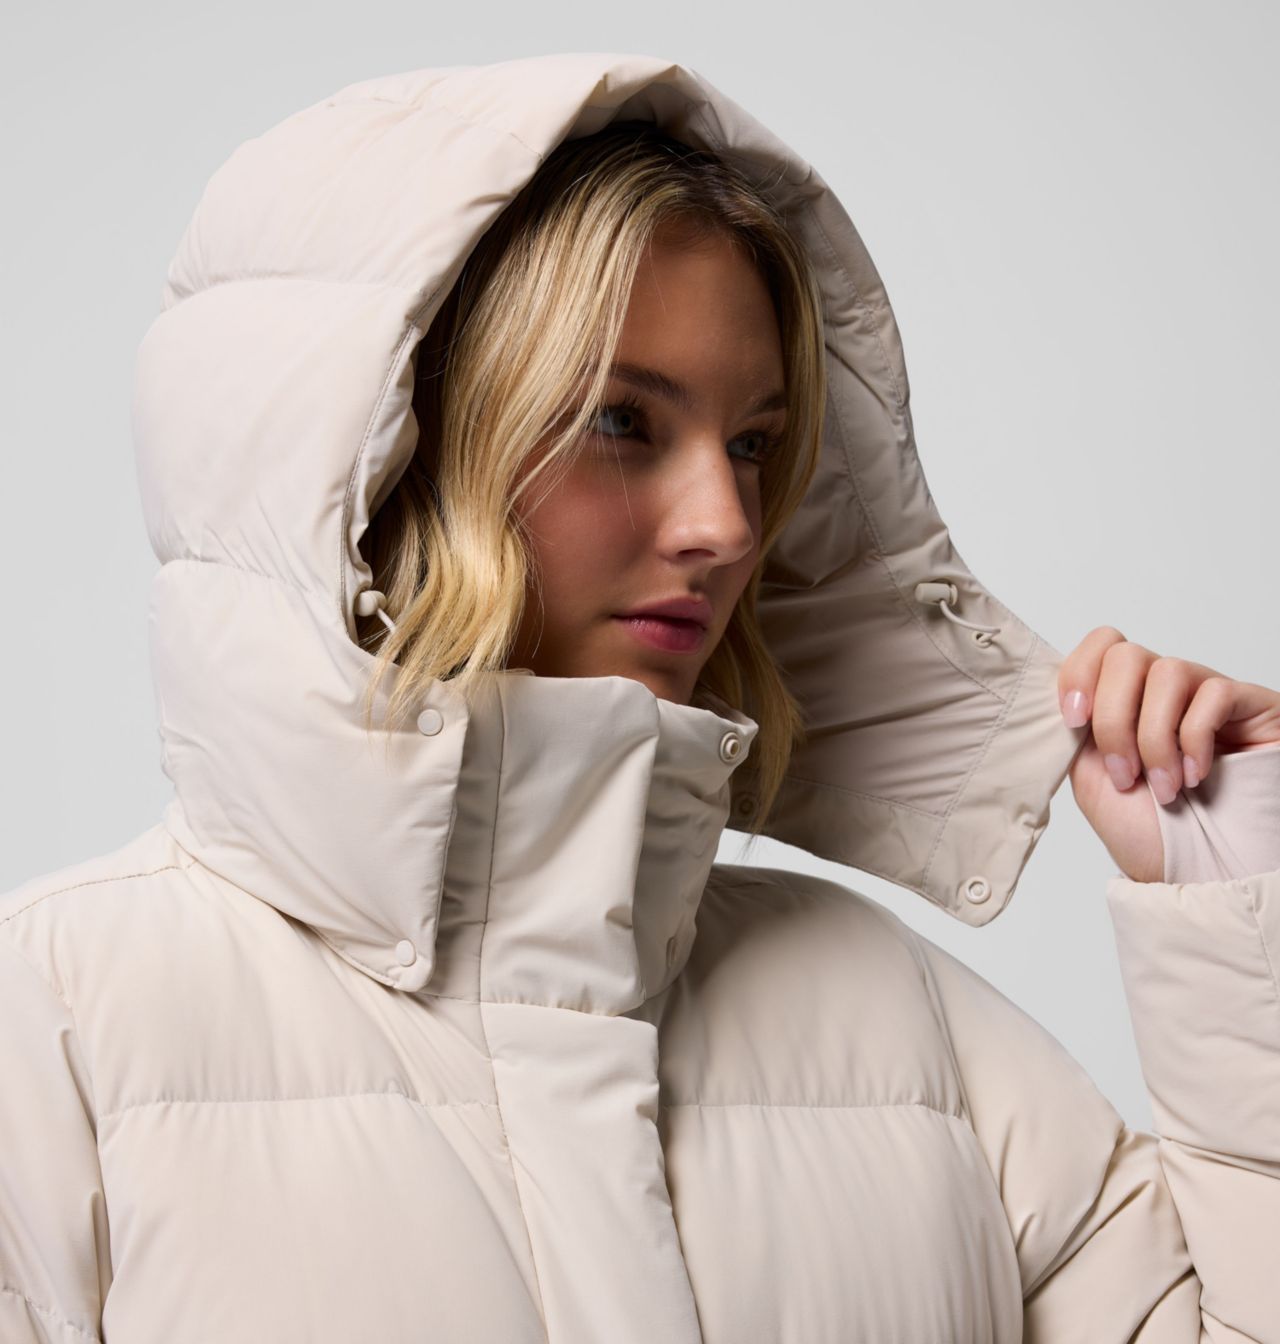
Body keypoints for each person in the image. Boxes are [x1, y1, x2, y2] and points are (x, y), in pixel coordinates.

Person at [1, 51, 1277, 1343]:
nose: (727, 524)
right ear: (393, 452)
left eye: (754, 444)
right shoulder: (54, 1032)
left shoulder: (912, 1033)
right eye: (623, 421)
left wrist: (1241, 880)